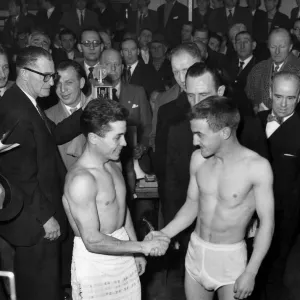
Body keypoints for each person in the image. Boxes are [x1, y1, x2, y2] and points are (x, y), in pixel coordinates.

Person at [152, 96, 274, 300]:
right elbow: (191, 206)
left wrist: (251, 272)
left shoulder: (257, 167)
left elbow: (267, 224)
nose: (194, 141)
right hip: (196, 252)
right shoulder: (198, 160)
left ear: (225, 132)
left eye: (200, 135)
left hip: (230, 259)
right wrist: (163, 234)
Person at [63, 99, 170, 300]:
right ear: (94, 138)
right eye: (118, 137)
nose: (125, 143)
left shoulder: (113, 163)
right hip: (96, 261)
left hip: (123, 249)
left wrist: (134, 249)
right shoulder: (81, 180)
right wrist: (142, 247)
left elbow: (122, 208)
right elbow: (92, 241)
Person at [0, 46, 83, 300]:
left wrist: (89, 112)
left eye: (53, 76)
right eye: (45, 76)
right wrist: (46, 218)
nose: (52, 82)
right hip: (35, 222)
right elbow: (20, 176)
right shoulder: (17, 111)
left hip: (37, 214)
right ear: (25, 73)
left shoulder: (25, 100)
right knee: (41, 291)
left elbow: (53, 134)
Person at [257, 71, 300, 299]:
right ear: (270, 93)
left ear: (299, 97)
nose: (283, 104)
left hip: (285, 213)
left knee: (275, 267)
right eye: (279, 96)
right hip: (250, 208)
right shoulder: (254, 121)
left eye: (291, 98)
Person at [246, 28, 300, 111]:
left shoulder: (298, 69)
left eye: (282, 47)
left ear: (290, 47)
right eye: (273, 47)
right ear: (268, 46)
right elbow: (250, 95)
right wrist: (255, 106)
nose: (277, 51)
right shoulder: (258, 68)